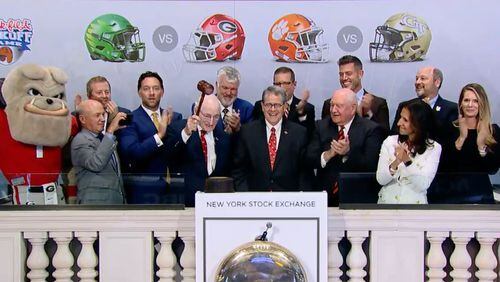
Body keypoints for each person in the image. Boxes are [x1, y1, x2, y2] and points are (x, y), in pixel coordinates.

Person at [307, 88, 385, 206]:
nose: (333, 110)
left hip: (357, 199)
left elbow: (371, 165)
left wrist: (348, 153)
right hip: (325, 199)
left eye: (339, 106)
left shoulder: (370, 129)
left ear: (353, 108)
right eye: (332, 105)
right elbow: (309, 159)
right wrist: (327, 155)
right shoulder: (321, 126)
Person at [118, 71, 182, 204]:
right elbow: (132, 152)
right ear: (139, 92)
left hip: (174, 190)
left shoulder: (175, 117)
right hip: (144, 192)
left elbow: (179, 151)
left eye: (156, 88)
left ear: (162, 92)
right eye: (146, 89)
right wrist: (159, 136)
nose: (151, 93)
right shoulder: (130, 119)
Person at [233, 86, 312, 191]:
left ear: (284, 107)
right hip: (255, 200)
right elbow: (239, 170)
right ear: (262, 106)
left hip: (288, 201)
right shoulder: (247, 132)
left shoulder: (299, 133)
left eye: (277, 105)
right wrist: (245, 197)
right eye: (268, 105)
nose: (272, 109)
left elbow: (304, 172)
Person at [435, 83, 499, 204]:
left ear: (482, 104)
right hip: (450, 195)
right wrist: (461, 139)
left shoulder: (492, 131)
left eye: (475, 101)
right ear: (461, 103)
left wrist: (481, 147)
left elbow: (493, 168)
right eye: (466, 100)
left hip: (480, 195)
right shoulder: (448, 128)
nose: (470, 105)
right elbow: (442, 165)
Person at [167, 95, 232, 207]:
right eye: (207, 116)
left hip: (216, 205)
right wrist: (186, 133)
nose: (211, 122)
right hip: (186, 205)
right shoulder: (178, 128)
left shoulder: (223, 136)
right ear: (196, 110)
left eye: (216, 117)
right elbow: (168, 156)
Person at [377, 100, 441, 204]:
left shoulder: (434, 148)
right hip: (387, 205)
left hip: (414, 209)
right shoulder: (390, 141)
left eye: (405, 120)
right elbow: (381, 179)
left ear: (418, 123)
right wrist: (396, 162)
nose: (399, 123)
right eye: (400, 118)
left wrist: (407, 161)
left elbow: (423, 184)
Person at [71, 100, 127, 204]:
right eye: (97, 115)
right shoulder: (80, 140)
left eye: (103, 114)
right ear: (83, 119)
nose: (102, 119)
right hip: (94, 205)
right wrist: (110, 131)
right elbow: (96, 164)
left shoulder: (104, 138)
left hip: (114, 202)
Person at [321, 55, 389, 132]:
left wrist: (368, 113)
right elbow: (324, 133)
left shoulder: (378, 104)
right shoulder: (329, 104)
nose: (344, 78)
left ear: (360, 74)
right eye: (341, 74)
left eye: (348, 73)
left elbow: (384, 136)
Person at [391, 66, 457, 135]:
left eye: (423, 78)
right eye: (417, 79)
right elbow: (394, 137)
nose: (417, 82)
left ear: (437, 82)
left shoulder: (451, 109)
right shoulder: (405, 106)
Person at [252, 67, 315, 137]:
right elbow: (256, 133)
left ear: (294, 84)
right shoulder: (261, 106)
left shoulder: (307, 108)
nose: (281, 87)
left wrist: (300, 112)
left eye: (285, 83)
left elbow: (308, 136)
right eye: (278, 83)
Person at [213, 66, 253, 133]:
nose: (229, 93)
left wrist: (239, 129)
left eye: (233, 89)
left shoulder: (247, 109)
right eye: (225, 88)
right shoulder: (203, 105)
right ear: (217, 86)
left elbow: (252, 139)